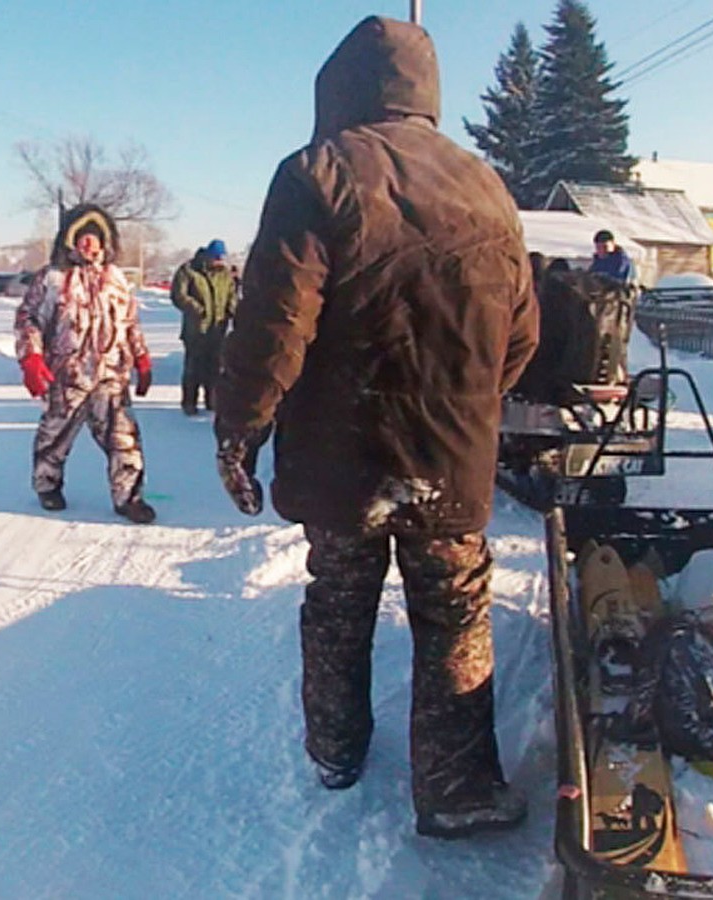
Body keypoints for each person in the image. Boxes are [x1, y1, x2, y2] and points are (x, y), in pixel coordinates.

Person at [212, 15, 539, 839]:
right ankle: (458, 787)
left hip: (341, 454)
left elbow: (274, 322)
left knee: (339, 600)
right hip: (450, 456)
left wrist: (241, 428)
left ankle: (335, 749)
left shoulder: (316, 171)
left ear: (338, 89)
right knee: (455, 610)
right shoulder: (486, 185)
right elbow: (524, 332)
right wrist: (467, 402)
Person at [13, 203, 156, 524]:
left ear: (106, 243)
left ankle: (129, 497)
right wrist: (31, 358)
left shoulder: (117, 279)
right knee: (54, 437)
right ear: (70, 241)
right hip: (67, 376)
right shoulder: (52, 279)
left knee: (124, 438)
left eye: (94, 238)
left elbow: (130, 322)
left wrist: (141, 358)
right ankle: (47, 485)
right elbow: (28, 319)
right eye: (82, 238)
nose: (88, 244)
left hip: (110, 376)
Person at [169, 239, 237, 415]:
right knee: (194, 368)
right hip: (195, 330)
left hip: (218, 329)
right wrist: (196, 309)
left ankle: (212, 402)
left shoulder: (225, 275)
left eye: (222, 258)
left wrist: (234, 311)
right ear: (207, 256)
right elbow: (178, 295)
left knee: (215, 368)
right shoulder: (189, 270)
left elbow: (231, 296)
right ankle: (189, 403)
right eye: (216, 258)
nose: (219, 261)